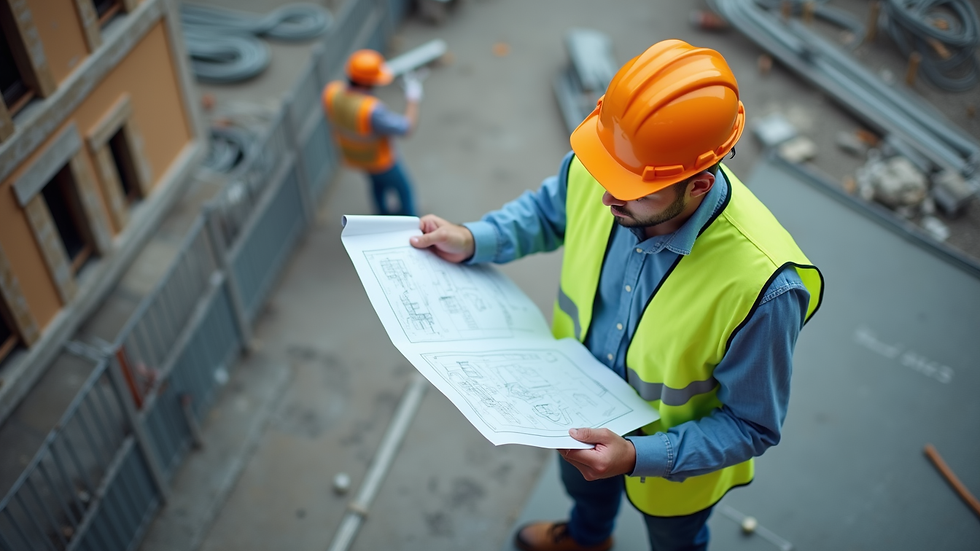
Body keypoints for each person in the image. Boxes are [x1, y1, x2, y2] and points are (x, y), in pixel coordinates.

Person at [409, 39, 824, 551]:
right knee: (584, 495)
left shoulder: (764, 286)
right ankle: (588, 539)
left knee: (675, 541)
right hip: (574, 410)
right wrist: (474, 238)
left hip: (675, 473)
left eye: (633, 192)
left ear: (698, 185)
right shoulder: (615, 162)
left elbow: (751, 425)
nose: (606, 196)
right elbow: (548, 212)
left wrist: (636, 457)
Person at [323, 49, 423, 216]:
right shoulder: (371, 110)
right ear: (367, 82)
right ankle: (411, 223)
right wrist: (413, 98)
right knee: (404, 190)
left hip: (355, 157)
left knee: (377, 185)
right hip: (380, 160)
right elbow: (406, 128)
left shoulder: (331, 92)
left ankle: (381, 217)